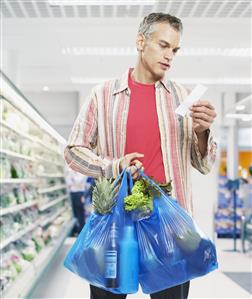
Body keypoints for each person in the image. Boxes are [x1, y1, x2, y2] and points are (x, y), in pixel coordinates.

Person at [64, 12, 217, 299]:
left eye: (174, 49)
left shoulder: (182, 98)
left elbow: (204, 164)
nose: (169, 55)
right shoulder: (103, 95)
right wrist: (113, 165)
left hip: (169, 226)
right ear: (140, 41)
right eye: (162, 45)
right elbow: (73, 152)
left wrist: (201, 132)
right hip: (113, 226)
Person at [66, 168, 89, 235]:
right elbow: (69, 183)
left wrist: (72, 176)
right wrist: (71, 175)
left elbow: (78, 182)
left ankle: (82, 230)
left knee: (80, 213)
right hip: (73, 193)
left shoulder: (82, 173)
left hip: (80, 194)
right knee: (75, 213)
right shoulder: (71, 173)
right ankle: (77, 229)